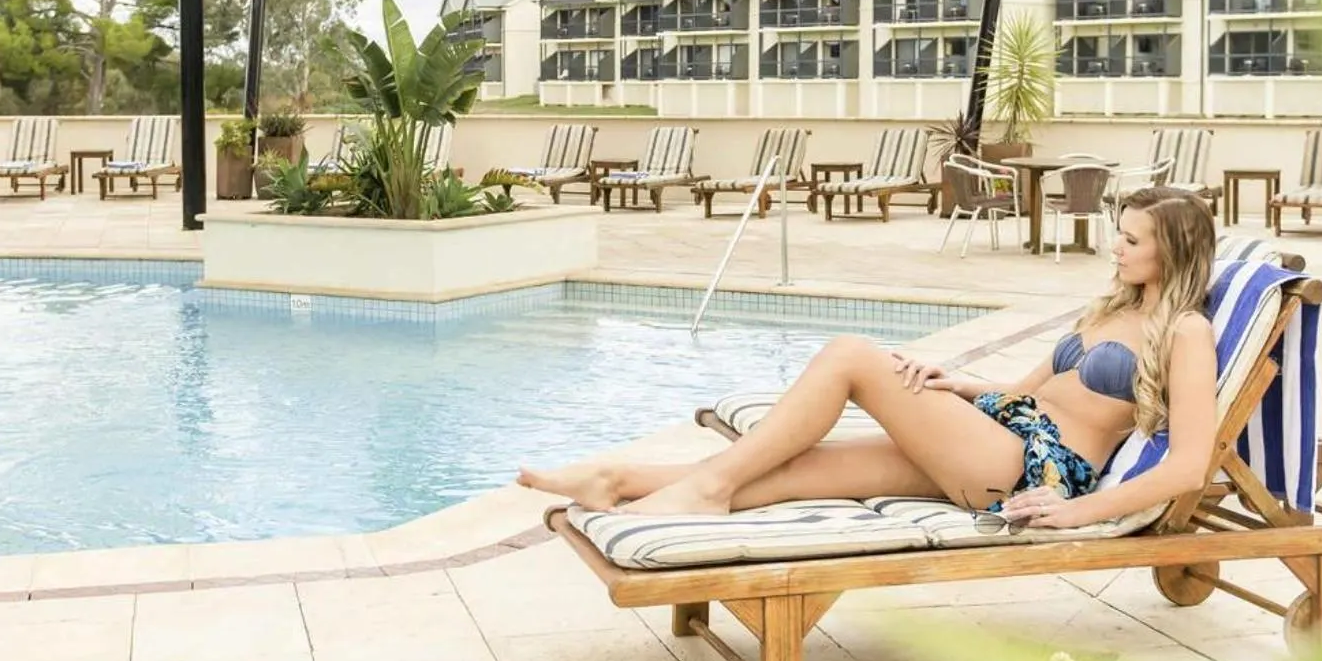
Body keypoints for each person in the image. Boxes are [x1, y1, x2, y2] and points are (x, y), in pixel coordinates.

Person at [519, 187, 1221, 530]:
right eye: (1119, 233)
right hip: (996, 435)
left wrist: (1079, 513)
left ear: (1174, 250)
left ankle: (702, 491)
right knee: (796, 470)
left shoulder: (1185, 332)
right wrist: (959, 385)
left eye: (1132, 240)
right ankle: (617, 480)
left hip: (1028, 470)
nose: (1115, 247)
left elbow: (1190, 465)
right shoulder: (1108, 308)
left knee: (852, 355)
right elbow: (1026, 389)